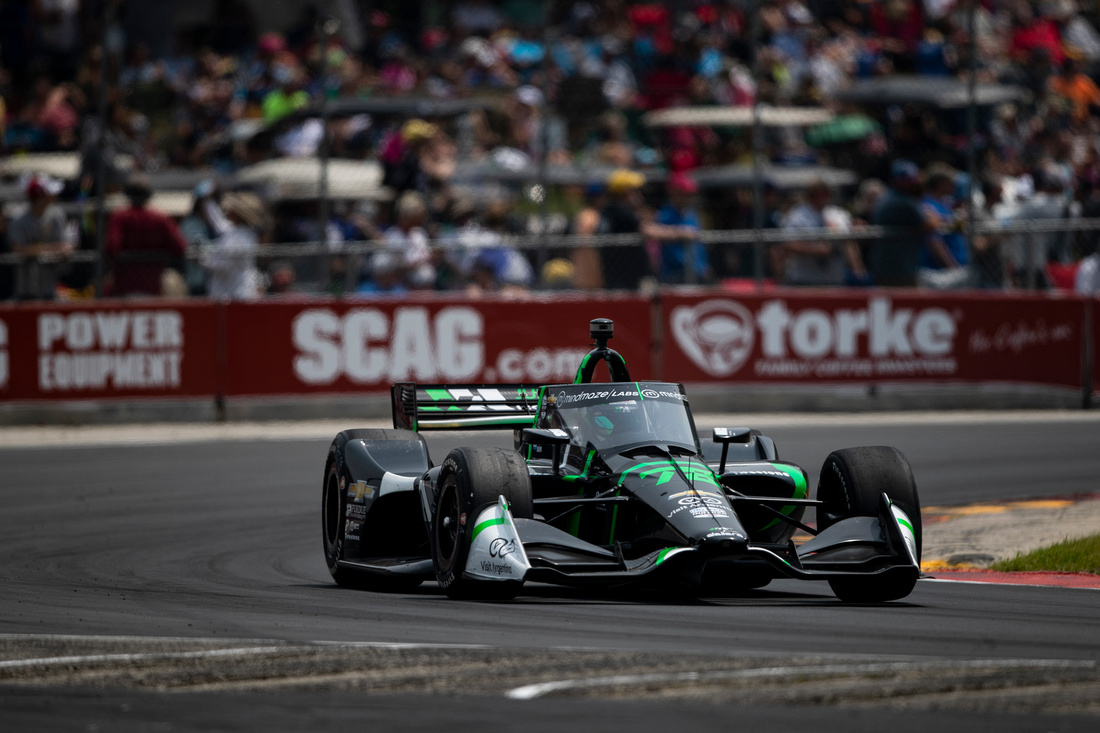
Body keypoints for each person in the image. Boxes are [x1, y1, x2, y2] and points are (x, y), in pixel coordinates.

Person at [106, 174, 188, 296]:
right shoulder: (160, 217)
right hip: (154, 285)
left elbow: (111, 248)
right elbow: (180, 246)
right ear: (148, 195)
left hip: (124, 286)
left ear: (128, 194)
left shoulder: (120, 217)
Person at [776, 179, 865, 286]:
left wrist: (858, 270)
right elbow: (788, 244)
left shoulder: (838, 215)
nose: (822, 197)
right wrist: (817, 249)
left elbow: (849, 244)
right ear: (810, 196)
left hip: (834, 279)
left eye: (825, 193)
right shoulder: (797, 216)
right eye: (817, 194)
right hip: (805, 280)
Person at [6, 175, 72, 300]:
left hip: (50, 287)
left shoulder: (56, 215)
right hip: (25, 288)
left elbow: (65, 247)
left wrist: (37, 250)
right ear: (39, 198)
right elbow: (18, 249)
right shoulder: (19, 219)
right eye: (47, 194)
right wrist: (49, 249)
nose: (52, 196)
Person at [870, 160, 928, 287]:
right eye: (906, 180)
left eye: (912, 179)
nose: (912, 183)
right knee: (908, 302)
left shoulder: (893, 197)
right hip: (898, 267)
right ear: (895, 180)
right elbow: (930, 223)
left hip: (900, 264)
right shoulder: (900, 202)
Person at [199, 193, 263, 300]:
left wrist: (201, 259)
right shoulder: (237, 232)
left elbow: (224, 265)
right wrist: (207, 200)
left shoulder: (240, 238)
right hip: (233, 293)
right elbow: (217, 221)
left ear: (237, 214)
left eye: (232, 209)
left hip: (235, 296)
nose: (228, 211)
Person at [654, 173, 709, 284]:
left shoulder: (692, 213)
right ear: (674, 193)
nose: (689, 197)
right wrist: (681, 232)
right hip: (674, 274)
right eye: (685, 194)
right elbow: (656, 233)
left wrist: (704, 265)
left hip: (696, 271)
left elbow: (699, 244)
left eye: (690, 194)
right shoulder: (665, 214)